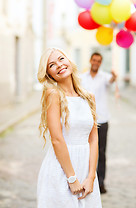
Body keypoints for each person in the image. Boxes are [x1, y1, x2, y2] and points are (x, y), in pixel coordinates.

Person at [37, 48, 102, 208]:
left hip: (86, 170)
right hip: (61, 171)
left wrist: (91, 177)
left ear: (69, 60)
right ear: (49, 74)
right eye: (52, 65)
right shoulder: (53, 94)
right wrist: (71, 178)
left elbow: (93, 138)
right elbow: (57, 139)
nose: (59, 65)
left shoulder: (89, 97)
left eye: (61, 59)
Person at [81, 52, 117, 194]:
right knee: (86, 151)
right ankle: (87, 179)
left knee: (101, 152)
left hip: (102, 120)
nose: (96, 62)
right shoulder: (82, 78)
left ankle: (101, 182)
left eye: (99, 61)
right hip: (86, 120)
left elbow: (112, 80)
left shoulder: (104, 77)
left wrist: (114, 76)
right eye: (94, 60)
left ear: (101, 63)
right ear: (90, 60)